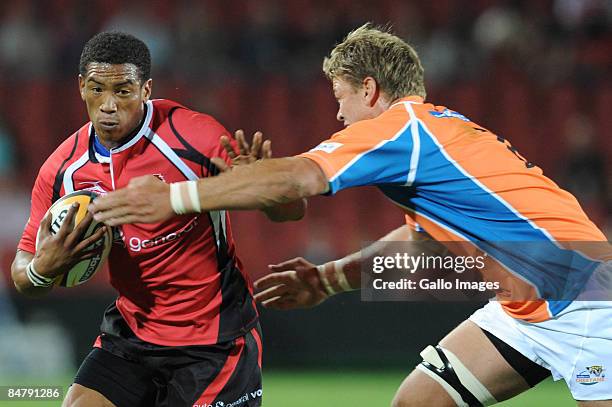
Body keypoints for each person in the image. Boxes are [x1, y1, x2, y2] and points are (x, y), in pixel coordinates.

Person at [90, 25, 611, 406]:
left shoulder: (402, 127)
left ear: (369, 89)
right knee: (419, 403)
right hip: (527, 307)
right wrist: (328, 279)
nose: (338, 115)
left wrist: (177, 199)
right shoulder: (433, 135)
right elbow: (419, 245)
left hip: (587, 302)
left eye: (341, 98)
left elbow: (300, 178)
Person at [11, 31, 304, 407]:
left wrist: (266, 185)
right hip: (131, 334)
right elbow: (23, 269)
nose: (108, 106)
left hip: (214, 339)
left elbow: (292, 211)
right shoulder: (63, 171)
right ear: (81, 86)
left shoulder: (193, 137)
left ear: (146, 90)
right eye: (97, 89)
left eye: (123, 91)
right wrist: (41, 269)